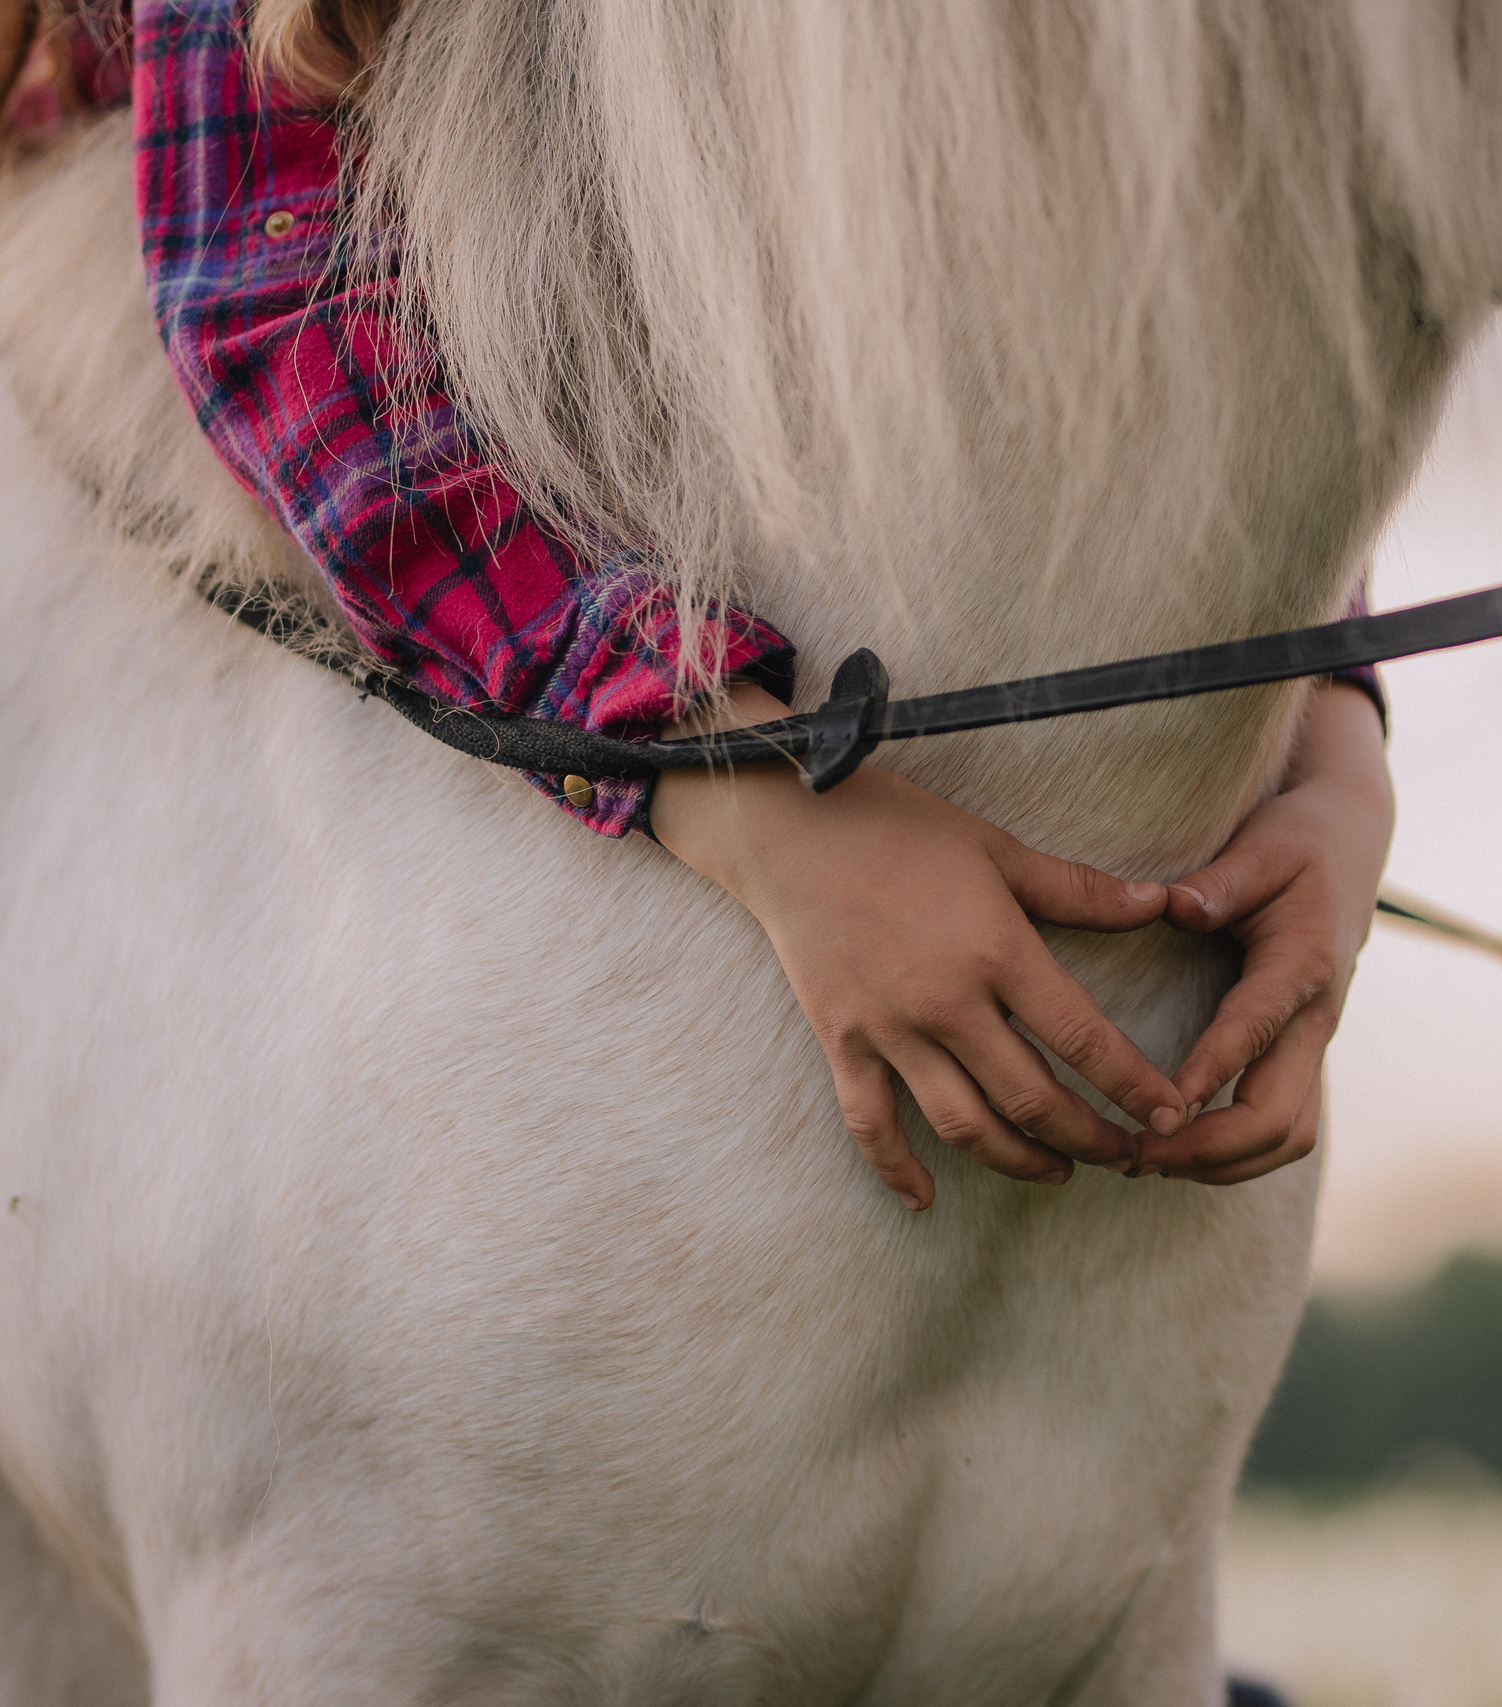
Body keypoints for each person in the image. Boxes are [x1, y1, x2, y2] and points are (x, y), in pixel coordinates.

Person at [10, 0, 1394, 1209]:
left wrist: (1336, 739)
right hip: (223, 498)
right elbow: (270, 281)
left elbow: (1135, 249)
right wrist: (748, 800)